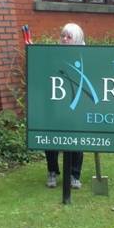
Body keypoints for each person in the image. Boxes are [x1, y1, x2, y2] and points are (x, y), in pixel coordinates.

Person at [45, 23, 85, 189]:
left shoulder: (85, 55)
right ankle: (52, 171)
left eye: (69, 37)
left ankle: (74, 175)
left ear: (76, 39)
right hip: (56, 102)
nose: (65, 39)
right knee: (51, 138)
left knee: (77, 139)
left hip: (77, 104)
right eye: (63, 36)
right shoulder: (53, 55)